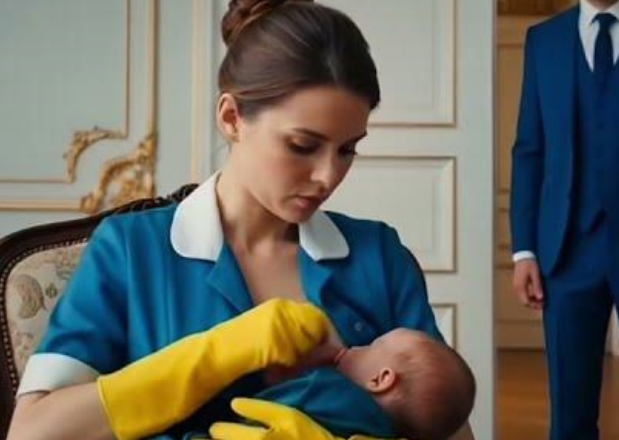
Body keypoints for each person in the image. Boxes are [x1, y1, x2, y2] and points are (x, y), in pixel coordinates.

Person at [8, 1, 474, 439]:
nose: (328, 176)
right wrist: (219, 354)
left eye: (347, 149)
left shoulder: (379, 257)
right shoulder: (131, 251)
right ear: (232, 117)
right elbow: (32, 432)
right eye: (302, 146)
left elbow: (448, 425)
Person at [510, 0, 619, 439]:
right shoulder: (544, 40)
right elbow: (529, 150)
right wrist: (524, 250)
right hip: (567, 249)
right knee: (571, 415)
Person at [244, 328, 476, 440]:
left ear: (380, 380)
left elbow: (253, 408)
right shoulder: (382, 431)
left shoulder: (329, 391)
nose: (356, 346)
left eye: (373, 345)